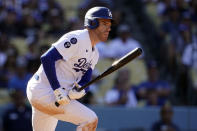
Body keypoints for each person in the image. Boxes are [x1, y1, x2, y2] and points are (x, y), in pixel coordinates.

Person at [26, 6, 112, 131]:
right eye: (104, 23)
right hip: (45, 91)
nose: (108, 28)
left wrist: (81, 90)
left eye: (109, 24)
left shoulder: (95, 53)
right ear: (92, 23)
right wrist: (57, 89)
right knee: (90, 120)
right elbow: (47, 58)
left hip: (55, 97)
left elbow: (86, 79)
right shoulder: (77, 38)